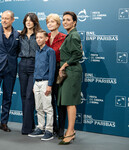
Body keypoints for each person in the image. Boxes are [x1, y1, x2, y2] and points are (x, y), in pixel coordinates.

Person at [58, 11, 83, 145]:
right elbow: (78, 51)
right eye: (64, 20)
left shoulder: (73, 36)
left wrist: (64, 65)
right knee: (68, 102)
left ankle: (70, 131)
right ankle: (70, 131)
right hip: (69, 71)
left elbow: (77, 55)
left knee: (70, 103)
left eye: (68, 20)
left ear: (74, 22)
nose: (65, 22)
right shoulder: (71, 35)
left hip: (71, 72)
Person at [28, 30, 56, 141]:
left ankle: (49, 130)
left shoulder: (50, 51)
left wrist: (50, 85)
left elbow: (52, 69)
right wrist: (34, 83)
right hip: (37, 83)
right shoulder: (37, 51)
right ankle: (40, 127)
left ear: (46, 39)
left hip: (45, 82)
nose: (38, 39)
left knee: (47, 107)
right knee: (38, 107)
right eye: (37, 38)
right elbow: (36, 68)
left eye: (41, 37)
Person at [18, 13, 41, 135]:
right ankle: (30, 124)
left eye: (30, 21)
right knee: (23, 96)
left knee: (29, 96)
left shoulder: (39, 35)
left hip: (34, 65)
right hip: (22, 65)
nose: (28, 22)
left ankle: (26, 128)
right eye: (26, 20)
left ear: (34, 22)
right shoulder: (20, 35)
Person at [46, 13, 67, 138]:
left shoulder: (64, 37)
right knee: (49, 101)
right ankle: (52, 126)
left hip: (59, 70)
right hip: (47, 71)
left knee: (60, 101)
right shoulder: (45, 37)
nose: (50, 24)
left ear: (58, 24)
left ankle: (61, 129)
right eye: (48, 22)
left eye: (52, 22)